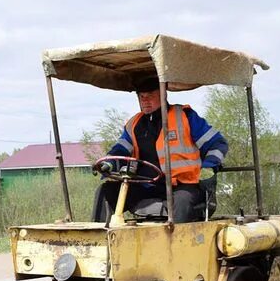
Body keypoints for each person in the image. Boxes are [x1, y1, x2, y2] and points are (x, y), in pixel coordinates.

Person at [91, 76, 228, 223]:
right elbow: (120, 150)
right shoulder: (134, 124)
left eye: (150, 95)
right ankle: (98, 241)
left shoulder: (184, 116)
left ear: (163, 94)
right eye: (141, 96)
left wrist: (209, 166)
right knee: (106, 191)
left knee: (181, 201)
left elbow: (217, 143)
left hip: (183, 186)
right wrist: (108, 164)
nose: (145, 100)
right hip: (146, 186)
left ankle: (176, 244)